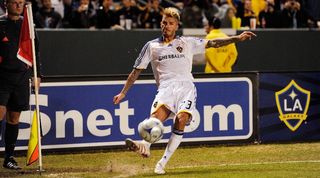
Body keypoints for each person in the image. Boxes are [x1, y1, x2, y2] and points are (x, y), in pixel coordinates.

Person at [113, 7, 255, 175]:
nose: (167, 26)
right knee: (155, 120)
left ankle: (161, 163)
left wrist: (237, 38)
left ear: (177, 25)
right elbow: (136, 71)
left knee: (181, 119)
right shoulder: (151, 46)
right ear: (161, 23)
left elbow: (214, 43)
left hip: (186, 87)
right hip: (166, 89)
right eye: (164, 22)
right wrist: (123, 92)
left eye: (171, 23)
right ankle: (145, 145)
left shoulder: (187, 42)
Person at [0, 0, 41, 170]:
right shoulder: (0, 23)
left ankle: (9, 157)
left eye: (21, 3)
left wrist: (38, 75)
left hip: (21, 78)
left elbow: (35, 51)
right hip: (2, 78)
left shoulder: (28, 25)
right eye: (15, 2)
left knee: (14, 118)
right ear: (6, 4)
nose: (18, 6)